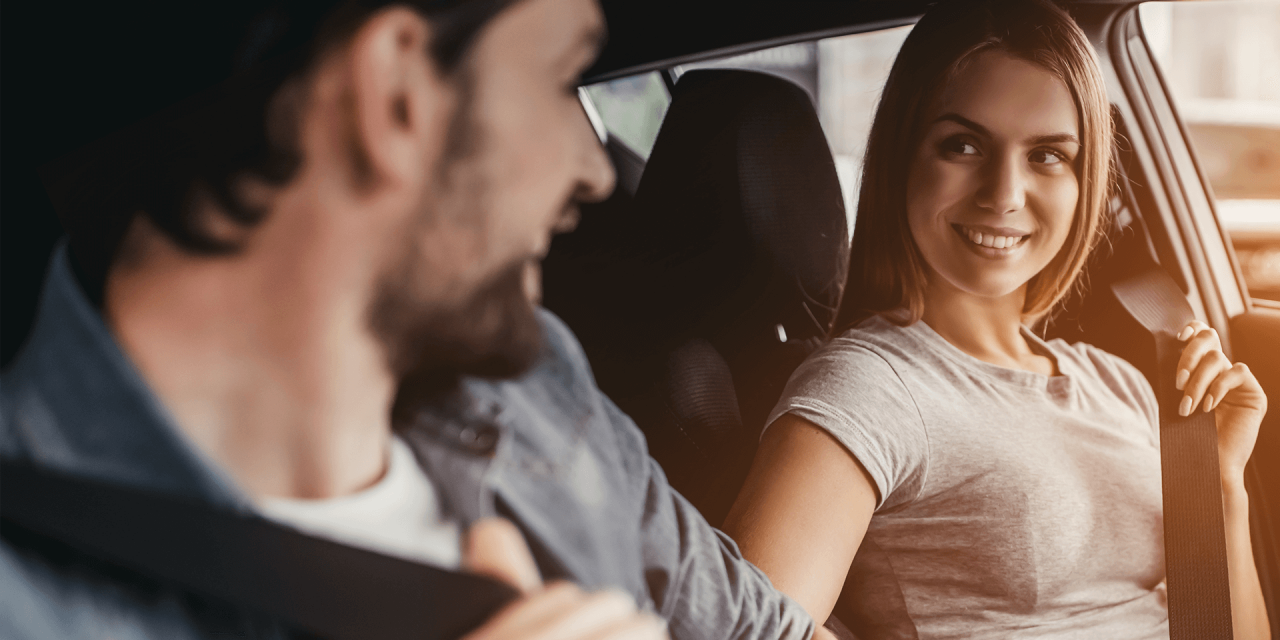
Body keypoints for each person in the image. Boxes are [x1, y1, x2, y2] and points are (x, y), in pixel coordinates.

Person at [0, 1, 816, 639]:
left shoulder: (537, 381)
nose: (596, 168)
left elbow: (765, 631)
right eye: (560, 78)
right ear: (395, 94)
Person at [721, 0, 1271, 638]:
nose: (1004, 194)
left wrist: (1219, 483)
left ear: (1083, 180)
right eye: (963, 144)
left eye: (1047, 156)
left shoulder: (1119, 384)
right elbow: (749, 627)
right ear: (903, 158)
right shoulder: (870, 388)